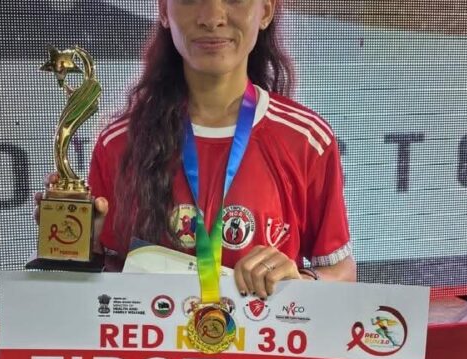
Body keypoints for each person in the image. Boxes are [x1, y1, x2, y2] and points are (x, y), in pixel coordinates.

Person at [36, 0, 356, 298]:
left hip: (264, 341)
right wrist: (77, 247)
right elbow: (99, 289)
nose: (212, 17)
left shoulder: (306, 140)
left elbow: (342, 272)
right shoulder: (118, 144)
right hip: (155, 342)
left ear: (266, 10)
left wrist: (302, 283)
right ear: (164, 10)